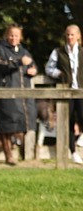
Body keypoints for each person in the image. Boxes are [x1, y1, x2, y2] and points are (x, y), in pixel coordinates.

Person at [0, 24, 39, 165]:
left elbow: (32, 64)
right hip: (6, 92)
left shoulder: (24, 51)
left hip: (23, 95)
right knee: (6, 124)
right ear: (7, 35)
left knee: (24, 122)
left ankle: (22, 152)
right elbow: (0, 65)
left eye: (16, 35)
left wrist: (33, 70)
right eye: (11, 35)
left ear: (20, 37)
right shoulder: (0, 50)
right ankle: (9, 156)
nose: (13, 38)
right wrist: (18, 62)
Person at [45, 24, 83, 165]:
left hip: (81, 91)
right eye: (68, 35)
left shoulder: (82, 51)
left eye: (72, 34)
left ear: (78, 36)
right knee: (69, 121)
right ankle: (73, 153)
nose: (70, 37)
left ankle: (81, 139)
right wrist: (58, 73)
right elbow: (49, 68)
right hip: (66, 91)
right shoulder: (58, 52)